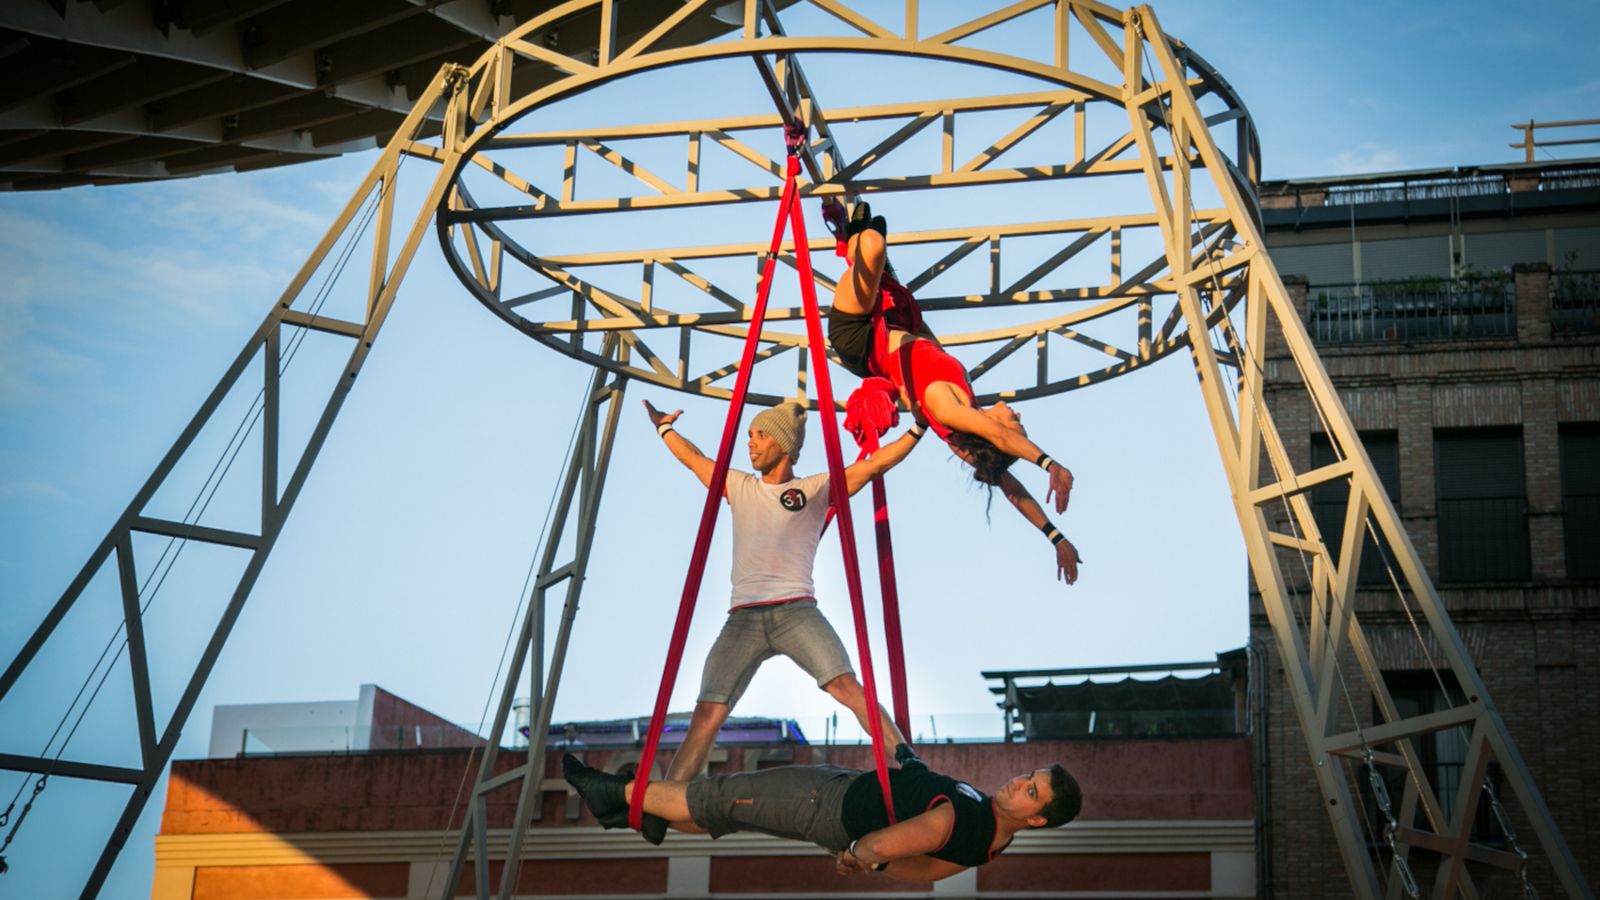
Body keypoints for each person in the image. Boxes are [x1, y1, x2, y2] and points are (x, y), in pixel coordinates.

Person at [634, 397, 920, 843]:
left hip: (796, 611)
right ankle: (661, 804)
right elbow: (693, 459)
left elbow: (874, 466)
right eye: (748, 435)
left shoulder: (815, 488)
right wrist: (664, 429)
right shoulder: (739, 486)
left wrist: (917, 430)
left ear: (784, 445)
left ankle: (907, 757)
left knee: (847, 687)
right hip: (742, 620)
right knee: (707, 714)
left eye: (759, 435)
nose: (750, 444)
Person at [824, 201, 1083, 586]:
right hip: (898, 325)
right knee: (891, 276)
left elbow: (1000, 439)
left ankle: (853, 238)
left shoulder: (950, 412)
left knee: (873, 244)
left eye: (1017, 428)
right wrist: (1056, 537)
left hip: (860, 336)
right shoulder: (967, 415)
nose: (1018, 418)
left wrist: (1051, 465)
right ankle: (861, 247)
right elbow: (1009, 486)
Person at [563, 746, 1082, 883]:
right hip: (841, 795)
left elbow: (888, 846)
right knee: (732, 812)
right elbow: (927, 870)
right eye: (1028, 775)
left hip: (828, 805)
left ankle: (610, 793)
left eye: (1031, 792)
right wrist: (911, 764)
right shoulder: (992, 838)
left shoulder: (966, 825)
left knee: (719, 796)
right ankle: (645, 817)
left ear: (1036, 819)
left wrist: (862, 855)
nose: (1019, 782)